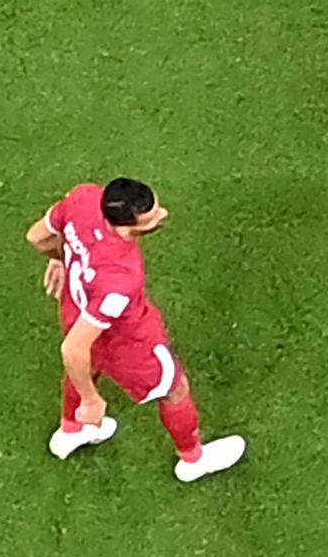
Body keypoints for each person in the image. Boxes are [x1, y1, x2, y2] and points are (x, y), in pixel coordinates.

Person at [26, 177, 247, 482]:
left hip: (77, 311)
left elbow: (37, 237)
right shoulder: (120, 278)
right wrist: (92, 401)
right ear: (126, 228)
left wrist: (63, 256)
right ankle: (193, 460)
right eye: (153, 217)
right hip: (126, 341)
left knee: (87, 364)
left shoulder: (85, 197)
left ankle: (72, 429)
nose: (164, 214)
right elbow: (73, 349)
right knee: (175, 389)